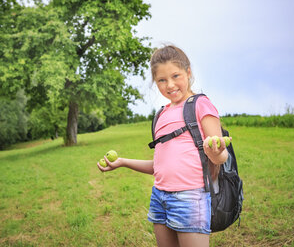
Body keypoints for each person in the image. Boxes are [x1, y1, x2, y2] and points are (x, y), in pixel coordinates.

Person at [97, 45, 230, 247]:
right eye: (162, 80)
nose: (170, 85)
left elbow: (221, 156)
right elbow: (160, 167)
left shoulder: (200, 105)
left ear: (188, 72)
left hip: (190, 197)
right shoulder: (160, 115)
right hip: (159, 196)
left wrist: (216, 152)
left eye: (176, 76)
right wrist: (122, 162)